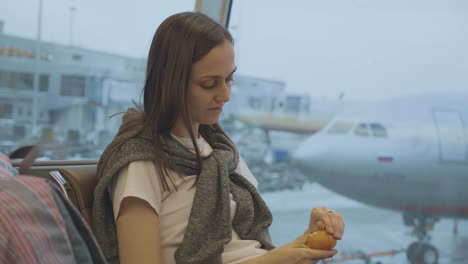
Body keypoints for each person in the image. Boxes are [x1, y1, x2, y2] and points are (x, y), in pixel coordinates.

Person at [92, 11, 345, 264]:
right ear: (168, 82)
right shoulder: (141, 165)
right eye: (209, 83)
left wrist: (307, 240)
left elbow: (242, 250)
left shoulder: (221, 153)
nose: (225, 95)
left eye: (229, 79)